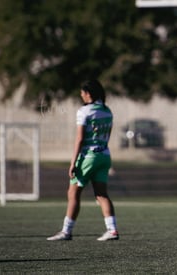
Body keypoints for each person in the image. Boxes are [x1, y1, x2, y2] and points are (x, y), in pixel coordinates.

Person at [47, 79, 119, 241]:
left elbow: (79, 139)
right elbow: (107, 136)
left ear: (88, 94)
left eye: (82, 92)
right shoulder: (107, 111)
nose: (80, 95)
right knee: (101, 194)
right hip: (104, 155)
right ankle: (112, 230)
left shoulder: (84, 112)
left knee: (73, 193)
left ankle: (66, 231)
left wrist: (73, 162)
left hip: (88, 156)